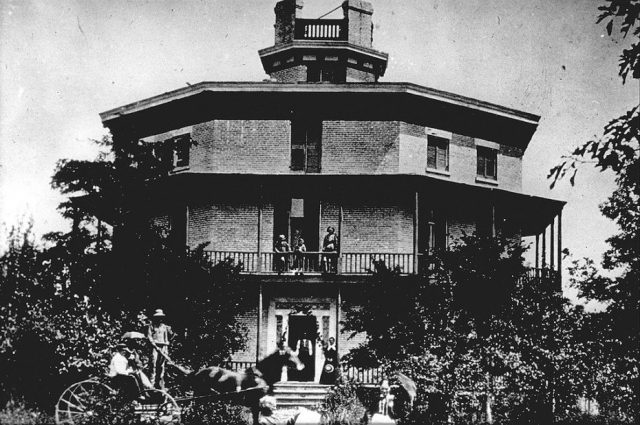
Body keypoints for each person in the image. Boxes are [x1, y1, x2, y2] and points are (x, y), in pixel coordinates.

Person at [147, 309, 174, 389]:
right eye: (158, 317)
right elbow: (149, 337)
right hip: (154, 347)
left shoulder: (164, 327)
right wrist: (155, 346)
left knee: (161, 367)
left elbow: (166, 339)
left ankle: (160, 385)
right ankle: (151, 386)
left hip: (163, 347)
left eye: (160, 317)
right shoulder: (151, 326)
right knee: (153, 365)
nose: (159, 319)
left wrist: (165, 348)